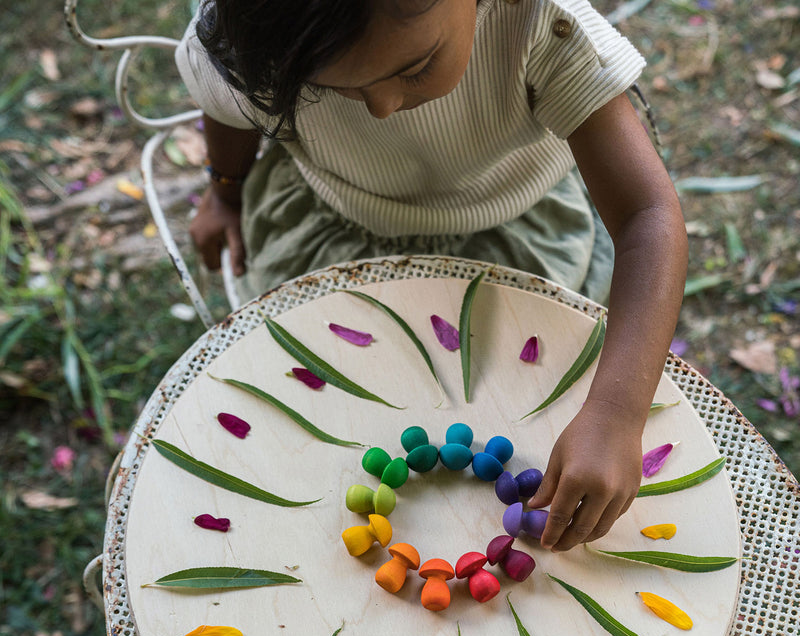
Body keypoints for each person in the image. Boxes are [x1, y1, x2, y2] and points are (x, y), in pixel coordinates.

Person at [175, 0, 688, 552]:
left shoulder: (539, 22)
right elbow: (228, 101)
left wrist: (616, 413)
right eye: (340, 87)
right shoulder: (257, 25)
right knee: (331, 426)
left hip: (510, 239)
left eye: (414, 68)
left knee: (514, 401)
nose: (383, 105)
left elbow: (648, 217)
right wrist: (225, 189)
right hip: (337, 235)